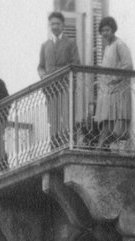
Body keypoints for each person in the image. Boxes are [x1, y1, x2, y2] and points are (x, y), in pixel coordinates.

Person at [38, 11, 80, 146]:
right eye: (52, 24)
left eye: (57, 23)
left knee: (67, 115)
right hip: (50, 88)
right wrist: (43, 75)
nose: (54, 26)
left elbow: (76, 64)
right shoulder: (45, 45)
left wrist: (60, 72)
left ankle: (68, 143)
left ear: (63, 25)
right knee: (53, 118)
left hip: (65, 86)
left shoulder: (70, 43)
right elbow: (40, 66)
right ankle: (54, 144)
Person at [94, 17, 133, 146]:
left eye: (108, 30)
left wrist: (114, 79)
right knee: (106, 123)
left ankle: (101, 148)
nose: (105, 33)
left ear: (113, 30)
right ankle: (102, 148)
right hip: (107, 91)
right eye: (103, 30)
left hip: (118, 90)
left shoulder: (119, 45)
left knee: (116, 127)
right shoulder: (107, 48)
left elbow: (127, 65)